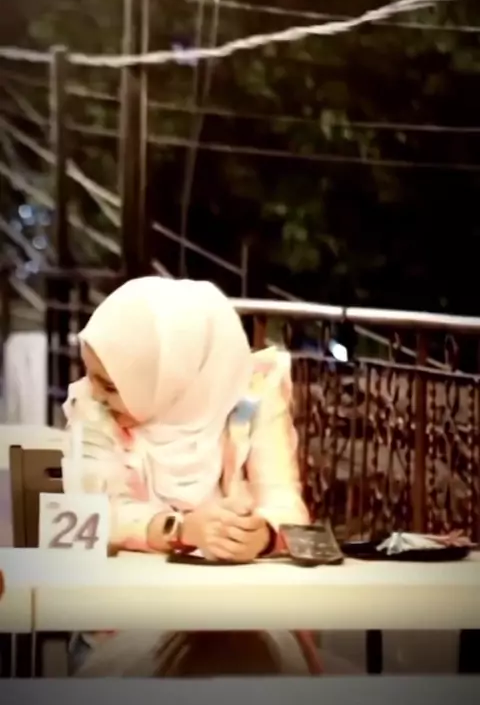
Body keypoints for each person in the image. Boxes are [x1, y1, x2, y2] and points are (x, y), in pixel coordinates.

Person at [63, 276, 321, 676]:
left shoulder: (251, 395)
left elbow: (285, 505)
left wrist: (261, 535)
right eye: (92, 377)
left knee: (236, 654)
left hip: (245, 616)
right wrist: (181, 529)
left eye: (110, 385)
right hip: (128, 620)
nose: (96, 394)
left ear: (173, 377)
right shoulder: (92, 408)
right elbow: (90, 515)